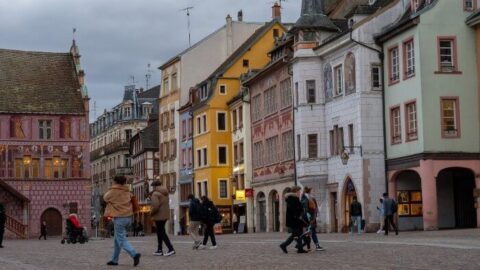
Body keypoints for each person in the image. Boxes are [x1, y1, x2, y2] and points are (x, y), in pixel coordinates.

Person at [103, 175, 141, 267]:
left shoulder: (113, 191)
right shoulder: (127, 190)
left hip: (119, 217)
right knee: (117, 240)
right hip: (128, 217)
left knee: (121, 239)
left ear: (115, 182)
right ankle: (114, 260)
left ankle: (134, 254)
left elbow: (105, 198)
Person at [150, 180, 175, 256]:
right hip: (165, 215)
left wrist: (151, 213)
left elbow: (155, 206)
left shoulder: (155, 194)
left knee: (161, 232)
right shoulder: (165, 192)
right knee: (160, 231)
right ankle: (159, 249)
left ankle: (170, 249)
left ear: (154, 186)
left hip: (158, 215)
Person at [280, 186, 307, 254]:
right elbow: (293, 208)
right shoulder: (291, 198)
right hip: (294, 219)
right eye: (298, 191)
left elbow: (298, 207)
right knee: (295, 234)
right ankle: (284, 245)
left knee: (298, 234)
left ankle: (299, 248)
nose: (299, 193)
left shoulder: (295, 198)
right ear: (295, 191)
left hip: (297, 219)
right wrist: (298, 212)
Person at [301, 187, 324, 251]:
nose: (314, 191)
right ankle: (303, 245)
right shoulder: (306, 198)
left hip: (312, 217)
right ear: (309, 191)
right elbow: (306, 209)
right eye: (313, 190)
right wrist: (310, 217)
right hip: (309, 218)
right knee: (309, 232)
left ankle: (313, 246)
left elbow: (315, 208)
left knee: (311, 232)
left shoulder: (311, 198)